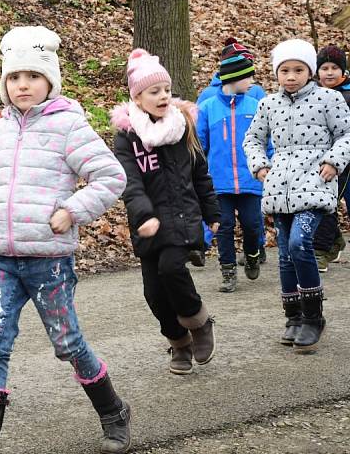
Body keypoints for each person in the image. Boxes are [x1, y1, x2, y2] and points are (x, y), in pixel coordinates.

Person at [0, 27, 131, 454]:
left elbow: (111, 177)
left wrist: (72, 210)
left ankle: (114, 411)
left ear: (50, 81)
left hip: (48, 261)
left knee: (67, 342)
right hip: (2, 256)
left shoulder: (69, 125)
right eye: (14, 77)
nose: (23, 85)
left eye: (33, 77)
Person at [111, 49, 220, 376]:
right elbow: (130, 183)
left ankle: (199, 323)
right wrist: (144, 215)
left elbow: (200, 173)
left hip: (182, 218)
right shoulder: (127, 138)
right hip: (147, 224)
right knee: (154, 293)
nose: (162, 96)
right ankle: (179, 342)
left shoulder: (182, 125)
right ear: (138, 96)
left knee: (173, 269)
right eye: (153, 91)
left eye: (165, 90)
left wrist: (211, 210)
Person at [243, 39, 350, 351]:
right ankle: (293, 317)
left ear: (310, 71)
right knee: (286, 255)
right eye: (285, 70)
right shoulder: (268, 104)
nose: (291, 76)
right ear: (277, 73)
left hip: (316, 183)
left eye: (298, 70)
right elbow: (252, 139)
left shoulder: (328, 99)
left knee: (300, 244)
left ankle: (314, 318)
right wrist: (260, 166)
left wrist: (334, 161)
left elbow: (346, 134)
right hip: (279, 188)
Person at [197, 38, 268, 292]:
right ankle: (227, 271)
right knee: (223, 226)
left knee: (251, 224)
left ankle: (252, 254)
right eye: (248, 77)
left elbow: (266, 139)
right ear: (234, 78)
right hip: (219, 182)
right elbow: (199, 146)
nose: (252, 82)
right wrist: (199, 175)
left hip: (251, 180)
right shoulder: (207, 108)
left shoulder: (257, 105)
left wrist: (267, 167)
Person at [311, 45, 350, 271]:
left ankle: (327, 245)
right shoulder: (313, 95)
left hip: (347, 161)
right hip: (322, 160)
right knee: (325, 204)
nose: (329, 72)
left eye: (335, 67)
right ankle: (324, 248)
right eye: (324, 67)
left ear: (343, 71)